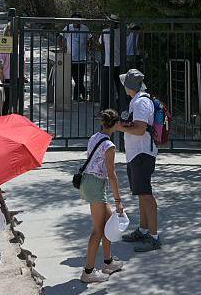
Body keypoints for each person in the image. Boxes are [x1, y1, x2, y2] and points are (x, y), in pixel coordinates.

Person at [114, 69, 161, 252]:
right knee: (142, 193)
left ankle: (154, 237)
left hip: (142, 153)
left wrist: (118, 127)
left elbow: (140, 129)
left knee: (146, 194)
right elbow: (139, 126)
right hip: (137, 153)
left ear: (130, 86)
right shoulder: (138, 100)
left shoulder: (141, 103)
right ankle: (143, 230)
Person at [78, 109, 126, 284]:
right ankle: (88, 272)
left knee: (107, 224)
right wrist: (118, 201)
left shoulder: (94, 137)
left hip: (90, 182)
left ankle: (108, 262)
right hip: (97, 185)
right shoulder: (109, 146)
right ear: (115, 124)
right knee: (98, 230)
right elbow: (112, 175)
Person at [61, 13, 90, 101]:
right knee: (75, 78)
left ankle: (77, 96)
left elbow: (90, 39)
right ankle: (83, 94)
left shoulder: (85, 28)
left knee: (79, 78)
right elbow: (60, 37)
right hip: (70, 58)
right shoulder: (68, 27)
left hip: (82, 58)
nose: (76, 22)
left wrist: (88, 48)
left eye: (78, 20)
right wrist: (62, 48)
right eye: (74, 20)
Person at [98, 16, 122, 109]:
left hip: (107, 64)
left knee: (105, 90)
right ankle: (122, 109)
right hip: (120, 64)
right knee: (121, 90)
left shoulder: (105, 32)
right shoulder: (122, 32)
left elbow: (100, 44)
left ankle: (104, 110)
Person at [0, 23, 14, 115]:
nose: (11, 32)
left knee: (16, 100)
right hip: (7, 76)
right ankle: (4, 118)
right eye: (9, 30)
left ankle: (14, 119)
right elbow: (1, 61)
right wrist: (0, 73)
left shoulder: (20, 45)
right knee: (8, 99)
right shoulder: (5, 44)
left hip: (18, 76)